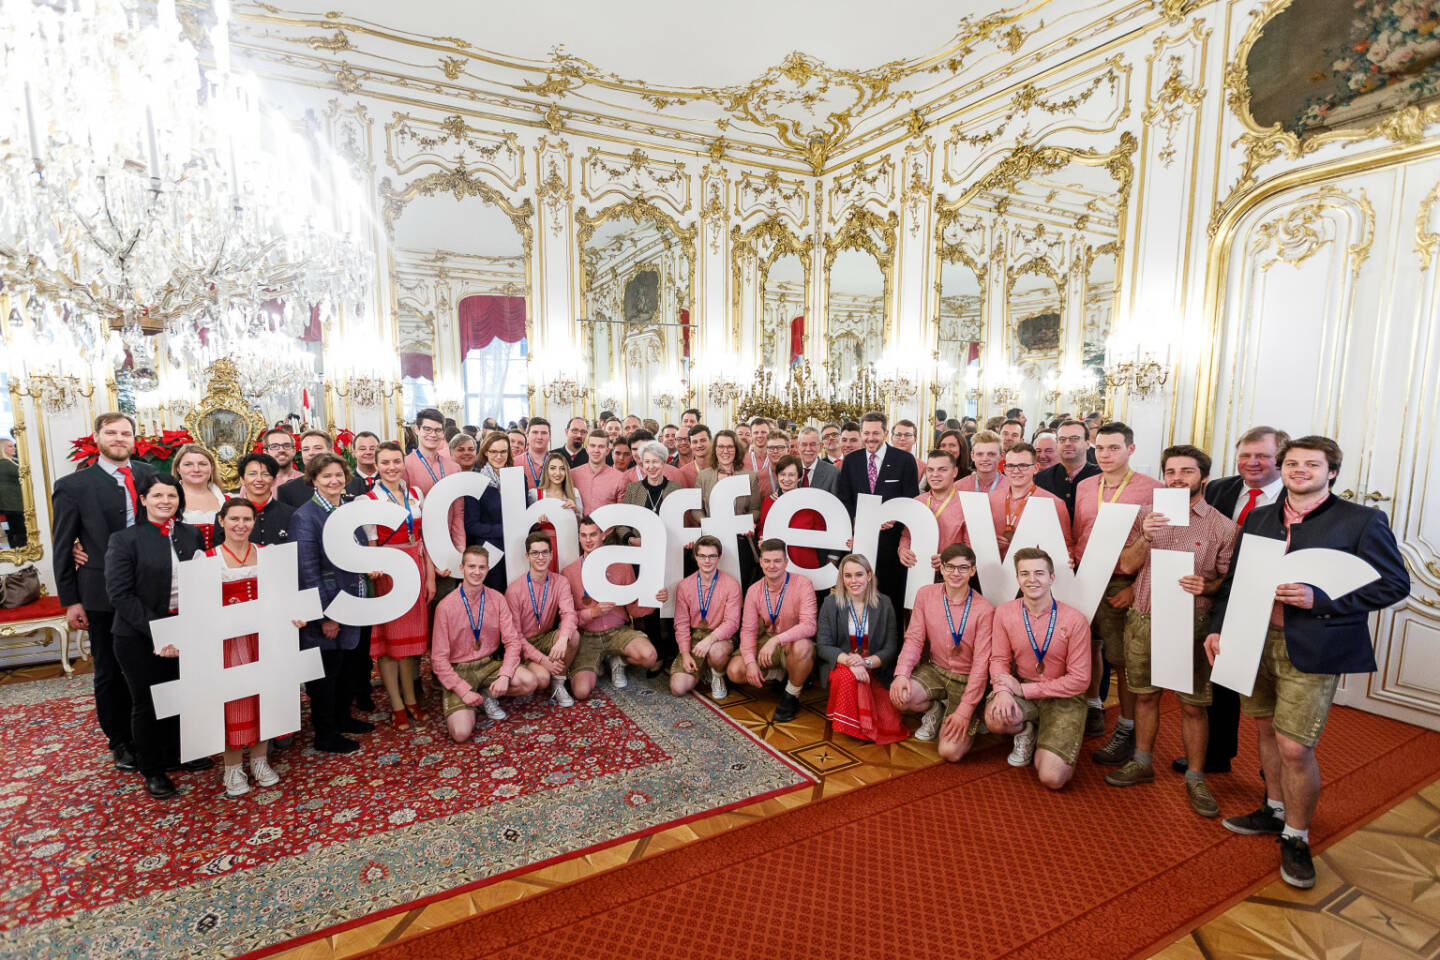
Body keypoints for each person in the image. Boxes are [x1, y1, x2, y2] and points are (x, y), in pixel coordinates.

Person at [1206, 436, 1409, 889]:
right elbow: (1235, 580)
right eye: (1292, 463)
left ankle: (1296, 837)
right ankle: (1273, 809)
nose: (1300, 470)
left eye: (1311, 464)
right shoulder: (1259, 518)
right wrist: (1218, 627)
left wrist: (1321, 598)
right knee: (1261, 728)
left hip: (1313, 645)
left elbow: (1394, 585)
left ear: (1331, 472)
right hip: (1253, 640)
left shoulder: (1361, 520)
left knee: (1295, 746)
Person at [1108, 445, 1236, 819]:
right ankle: (1142, 761)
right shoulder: (1149, 515)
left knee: (1193, 706)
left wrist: (1206, 586)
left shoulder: (1222, 527)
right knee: (1145, 696)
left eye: (1187, 471)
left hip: (1191, 622)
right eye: (1172, 471)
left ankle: (1196, 777)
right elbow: (1127, 566)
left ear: (1204, 477)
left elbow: (1226, 582)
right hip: (1144, 617)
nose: (1178, 478)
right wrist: (1145, 536)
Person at [1176, 425, 1291, 777]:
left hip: (1275, 605)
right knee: (1221, 682)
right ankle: (1217, 754)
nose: (1252, 463)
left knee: (1272, 692)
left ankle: (1275, 769)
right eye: (1245, 455)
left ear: (1281, 460)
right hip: (1223, 598)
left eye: (1263, 456)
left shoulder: (1296, 495)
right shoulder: (1220, 488)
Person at [52, 412, 156, 772]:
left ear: (134, 438)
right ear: (97, 437)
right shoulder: (73, 486)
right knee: (110, 671)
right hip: (99, 593)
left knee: (153, 664)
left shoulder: (149, 475)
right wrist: (70, 600)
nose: (118, 438)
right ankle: (120, 741)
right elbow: (64, 545)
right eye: (110, 433)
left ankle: (154, 734)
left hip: (150, 591)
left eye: (125, 433)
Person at [104, 473, 211, 798]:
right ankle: (152, 768)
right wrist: (160, 633)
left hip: (186, 628)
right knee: (148, 703)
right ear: (144, 500)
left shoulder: (191, 534)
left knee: (182, 696)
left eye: (172, 496)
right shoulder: (124, 540)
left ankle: (178, 753)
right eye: (158, 496)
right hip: (139, 635)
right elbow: (120, 595)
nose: (165, 502)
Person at [1073, 422, 1163, 761]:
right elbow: (1077, 532)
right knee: (1086, 646)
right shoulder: (1085, 486)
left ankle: (1126, 727)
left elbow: (1164, 546)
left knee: (1122, 661)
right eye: (1100, 448)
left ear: (1131, 449)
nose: (1106, 454)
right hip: (1083, 577)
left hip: (1122, 583)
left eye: (1114, 447)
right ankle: (1094, 708)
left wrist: (1137, 589)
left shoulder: (1153, 489)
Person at [289, 453, 375, 754]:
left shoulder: (346, 509)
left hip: (354, 601)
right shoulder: (305, 516)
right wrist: (326, 615)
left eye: (338, 474)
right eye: (326, 476)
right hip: (328, 606)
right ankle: (325, 733)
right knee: (325, 675)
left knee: (347, 667)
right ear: (313, 479)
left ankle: (343, 718)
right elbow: (308, 571)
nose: (334, 480)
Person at [985, 547, 1091, 789]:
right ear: (1017, 578)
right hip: (1022, 684)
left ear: (1052, 578)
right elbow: (999, 659)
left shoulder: (1075, 620)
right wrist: (1002, 691)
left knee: (1052, 779)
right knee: (994, 718)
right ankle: (1025, 731)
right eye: (1025, 573)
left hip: (1064, 697)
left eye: (1039, 573)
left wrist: (1023, 691)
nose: (1032, 580)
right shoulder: (1004, 612)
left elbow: (1080, 680)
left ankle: (1051, 737)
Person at [207, 499, 293, 797]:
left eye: (247, 519)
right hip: (229, 644)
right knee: (233, 702)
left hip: (266, 638)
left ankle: (259, 760)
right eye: (234, 519)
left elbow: (284, 594)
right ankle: (232, 768)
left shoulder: (268, 554)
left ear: (254, 522)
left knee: (265, 698)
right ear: (221, 521)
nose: (240, 525)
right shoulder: (206, 558)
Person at [433, 547, 552, 740]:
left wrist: (505, 675)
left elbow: (513, 642)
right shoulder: (445, 607)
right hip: (459, 670)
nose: (477, 572)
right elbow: (438, 660)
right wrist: (463, 691)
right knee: (461, 734)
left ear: (488, 569)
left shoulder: (497, 598)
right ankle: (471, 698)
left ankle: (486, 695)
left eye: (482, 567)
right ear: (462, 568)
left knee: (530, 681)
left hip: (488, 665)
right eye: (472, 566)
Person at [892, 544, 995, 759]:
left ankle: (972, 711)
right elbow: (913, 639)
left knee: (950, 752)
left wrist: (965, 710)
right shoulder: (925, 595)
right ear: (941, 569)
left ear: (972, 571)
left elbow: (980, 666)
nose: (956, 573)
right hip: (936, 670)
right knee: (900, 697)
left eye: (963, 568)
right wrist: (901, 674)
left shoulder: (985, 609)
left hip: (966, 679)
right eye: (950, 567)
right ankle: (935, 708)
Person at [365, 442, 440, 730]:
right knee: (388, 645)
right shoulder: (369, 499)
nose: (392, 467)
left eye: (396, 461)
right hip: (388, 571)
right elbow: (371, 546)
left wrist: (430, 576)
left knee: (411, 644)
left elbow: (425, 538)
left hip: (417, 565)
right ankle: (397, 705)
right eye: (385, 462)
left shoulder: (415, 494)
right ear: (377, 465)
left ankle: (411, 700)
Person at [562, 516, 662, 697]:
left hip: (617, 631)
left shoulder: (621, 566)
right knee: (581, 692)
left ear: (603, 536)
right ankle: (598, 661)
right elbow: (566, 617)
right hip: (587, 637)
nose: (588, 540)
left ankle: (619, 660)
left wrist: (654, 600)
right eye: (583, 535)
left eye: (593, 534)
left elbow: (633, 609)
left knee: (649, 656)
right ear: (578, 537)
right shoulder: (569, 572)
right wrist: (592, 613)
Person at [836, 411, 920, 616]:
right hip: (861, 544)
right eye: (866, 433)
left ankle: (894, 647)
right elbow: (844, 499)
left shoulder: (904, 460)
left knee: (891, 602)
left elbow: (911, 499)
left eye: (875, 433)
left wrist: (894, 517)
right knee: (858, 603)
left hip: (891, 546)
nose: (870, 438)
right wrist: (857, 521)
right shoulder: (851, 460)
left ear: (885, 433)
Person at [817, 554, 905, 744]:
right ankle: (853, 728)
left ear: (869, 576)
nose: (853, 581)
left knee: (890, 723)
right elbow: (823, 646)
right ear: (842, 578)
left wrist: (865, 663)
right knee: (848, 678)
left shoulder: (885, 604)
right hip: (842, 664)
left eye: (858, 575)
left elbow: (891, 647)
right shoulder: (830, 604)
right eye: (847, 576)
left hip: (875, 668)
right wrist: (851, 662)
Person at [729, 539, 818, 723]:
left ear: (786, 562)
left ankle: (791, 695)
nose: (772, 565)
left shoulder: (803, 584)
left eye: (777, 561)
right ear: (761, 562)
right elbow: (748, 631)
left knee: (804, 647)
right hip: (766, 639)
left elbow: (809, 625)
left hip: (791, 642)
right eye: (767, 561)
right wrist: (751, 663)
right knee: (735, 671)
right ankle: (783, 675)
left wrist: (776, 641)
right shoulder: (754, 590)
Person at [620, 440, 685, 663]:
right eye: (647, 462)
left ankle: (675, 652)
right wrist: (630, 539)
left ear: (664, 462)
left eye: (656, 461)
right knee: (649, 605)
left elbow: (682, 522)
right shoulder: (633, 489)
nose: (651, 466)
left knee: (671, 600)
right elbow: (622, 523)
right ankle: (656, 653)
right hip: (642, 555)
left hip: (670, 555)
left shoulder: (676, 489)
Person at [504, 531, 579, 707]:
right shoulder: (514, 590)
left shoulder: (560, 582)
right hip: (524, 645)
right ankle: (532, 678)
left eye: (545, 552)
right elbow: (515, 637)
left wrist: (562, 639)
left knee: (572, 635)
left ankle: (559, 684)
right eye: (535, 553)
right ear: (527, 556)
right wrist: (542, 659)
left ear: (551, 555)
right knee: (542, 679)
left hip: (546, 638)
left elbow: (569, 614)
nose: (540, 557)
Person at [670, 535, 742, 699]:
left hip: (722, 636)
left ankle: (717, 675)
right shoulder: (684, 585)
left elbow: (732, 623)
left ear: (719, 557)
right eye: (702, 556)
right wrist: (686, 653)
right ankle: (704, 668)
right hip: (696, 636)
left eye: (712, 556)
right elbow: (681, 624)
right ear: (696, 556)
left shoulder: (731, 584)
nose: (707, 561)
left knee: (716, 651)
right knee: (678, 688)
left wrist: (710, 640)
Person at [697, 429, 762, 586]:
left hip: (740, 542)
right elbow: (696, 510)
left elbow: (756, 510)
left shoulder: (749, 476)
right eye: (720, 447)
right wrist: (710, 524)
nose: (725, 451)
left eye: (730, 447)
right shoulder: (704, 476)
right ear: (714, 450)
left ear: (736, 449)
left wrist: (747, 522)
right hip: (710, 542)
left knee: (739, 588)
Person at [990, 442, 1073, 563]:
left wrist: (1068, 560)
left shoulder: (1054, 503)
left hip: (1034, 576)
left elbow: (1066, 546)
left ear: (1036, 468)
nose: (1016, 471)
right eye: (1011, 466)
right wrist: (990, 542)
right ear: (1004, 469)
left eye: (1023, 465)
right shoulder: (991, 499)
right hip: (993, 572)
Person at [465, 431, 512, 591]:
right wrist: (502, 530)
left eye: (503, 451)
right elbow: (471, 525)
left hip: (516, 548)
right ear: (485, 452)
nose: (499, 456)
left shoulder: (518, 478)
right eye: (493, 451)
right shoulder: (475, 481)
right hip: (489, 550)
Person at [1035, 419, 1100, 520]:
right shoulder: (1042, 478)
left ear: (1087, 444)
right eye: (1062, 439)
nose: (1067, 443)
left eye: (1074, 438)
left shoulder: (1101, 476)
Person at [228, 452, 295, 546]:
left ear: (274, 480)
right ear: (242, 480)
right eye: (252, 474)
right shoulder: (226, 515)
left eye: (265, 474)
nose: (259, 479)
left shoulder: (292, 515)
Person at [528, 451, 583, 560]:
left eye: (562, 469)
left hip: (568, 546)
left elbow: (581, 527)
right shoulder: (535, 494)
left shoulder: (573, 493)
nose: (557, 473)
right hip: (542, 549)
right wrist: (537, 524)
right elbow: (527, 528)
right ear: (546, 471)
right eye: (553, 468)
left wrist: (575, 511)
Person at [173, 444, 226, 550]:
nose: (196, 469)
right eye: (188, 464)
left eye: (202, 464)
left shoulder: (226, 500)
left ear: (212, 467)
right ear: (178, 468)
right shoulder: (168, 500)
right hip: (182, 565)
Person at [571, 429, 627, 510]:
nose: (596, 450)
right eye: (592, 446)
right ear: (587, 449)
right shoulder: (572, 475)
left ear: (607, 451)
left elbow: (622, 513)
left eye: (601, 446)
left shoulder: (620, 479)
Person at [277, 430, 333, 507]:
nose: (311, 453)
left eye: (318, 448)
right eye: (306, 449)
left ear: (330, 451)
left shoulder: (353, 484)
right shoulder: (287, 491)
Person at [795, 426, 839, 493]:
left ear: (821, 446)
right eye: (804, 444)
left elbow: (837, 502)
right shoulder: (788, 470)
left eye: (813, 444)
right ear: (798, 446)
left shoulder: (833, 473)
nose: (808, 449)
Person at [518, 417, 552, 493]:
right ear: (527, 436)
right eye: (535, 432)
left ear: (549, 437)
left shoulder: (559, 462)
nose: (539, 437)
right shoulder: (515, 463)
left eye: (544, 433)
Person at [0, 437, 22, 548]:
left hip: (14, 505)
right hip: (13, 506)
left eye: (14, 445)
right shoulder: (4, 464)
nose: (14, 448)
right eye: (10, 446)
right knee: (18, 533)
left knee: (15, 532)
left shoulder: (13, 461)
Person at [745, 418, 774, 498]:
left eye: (763, 432)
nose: (760, 435)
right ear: (751, 435)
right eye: (756, 432)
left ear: (769, 434)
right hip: (750, 507)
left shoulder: (776, 458)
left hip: (773, 506)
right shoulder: (743, 460)